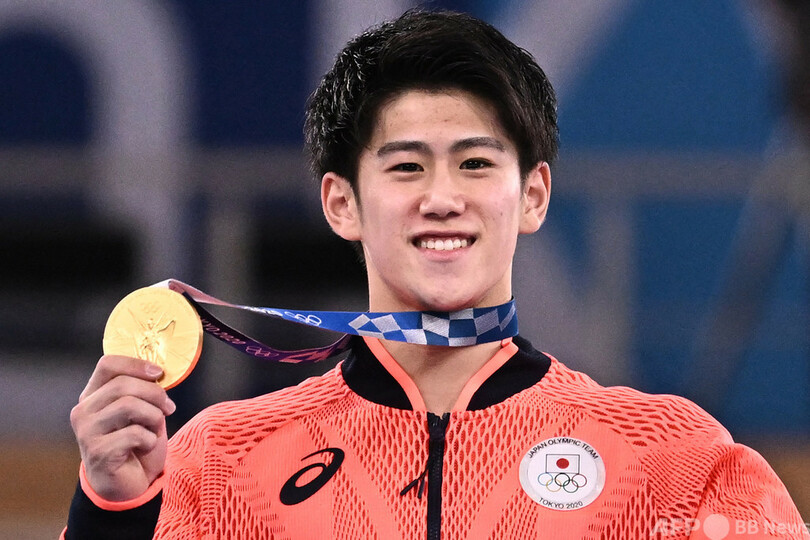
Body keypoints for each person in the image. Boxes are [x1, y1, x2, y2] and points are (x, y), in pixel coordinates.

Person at [64, 9, 807, 539]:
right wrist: (112, 512)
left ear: (534, 196)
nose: (443, 198)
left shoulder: (673, 460)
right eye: (406, 167)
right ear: (342, 204)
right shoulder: (221, 464)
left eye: (476, 163)